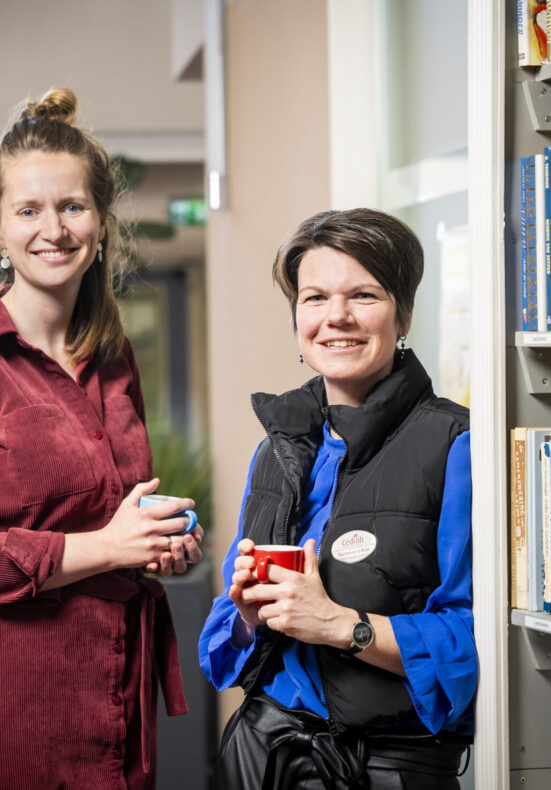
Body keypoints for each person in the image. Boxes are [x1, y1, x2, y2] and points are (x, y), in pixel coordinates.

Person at [0, 87, 204, 790]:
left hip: (117, 703)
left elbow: (116, 516)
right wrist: (106, 548)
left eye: (72, 207)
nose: (54, 229)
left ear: (100, 222)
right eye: (28, 210)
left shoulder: (113, 354)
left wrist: (158, 543)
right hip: (4, 717)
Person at [198, 208, 476, 789]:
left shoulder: (457, 446)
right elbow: (225, 630)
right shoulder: (276, 449)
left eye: (364, 295)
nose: (336, 318)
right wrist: (249, 616)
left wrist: (338, 625)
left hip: (384, 767)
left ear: (403, 313)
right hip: (260, 749)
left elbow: (474, 639)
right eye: (315, 297)